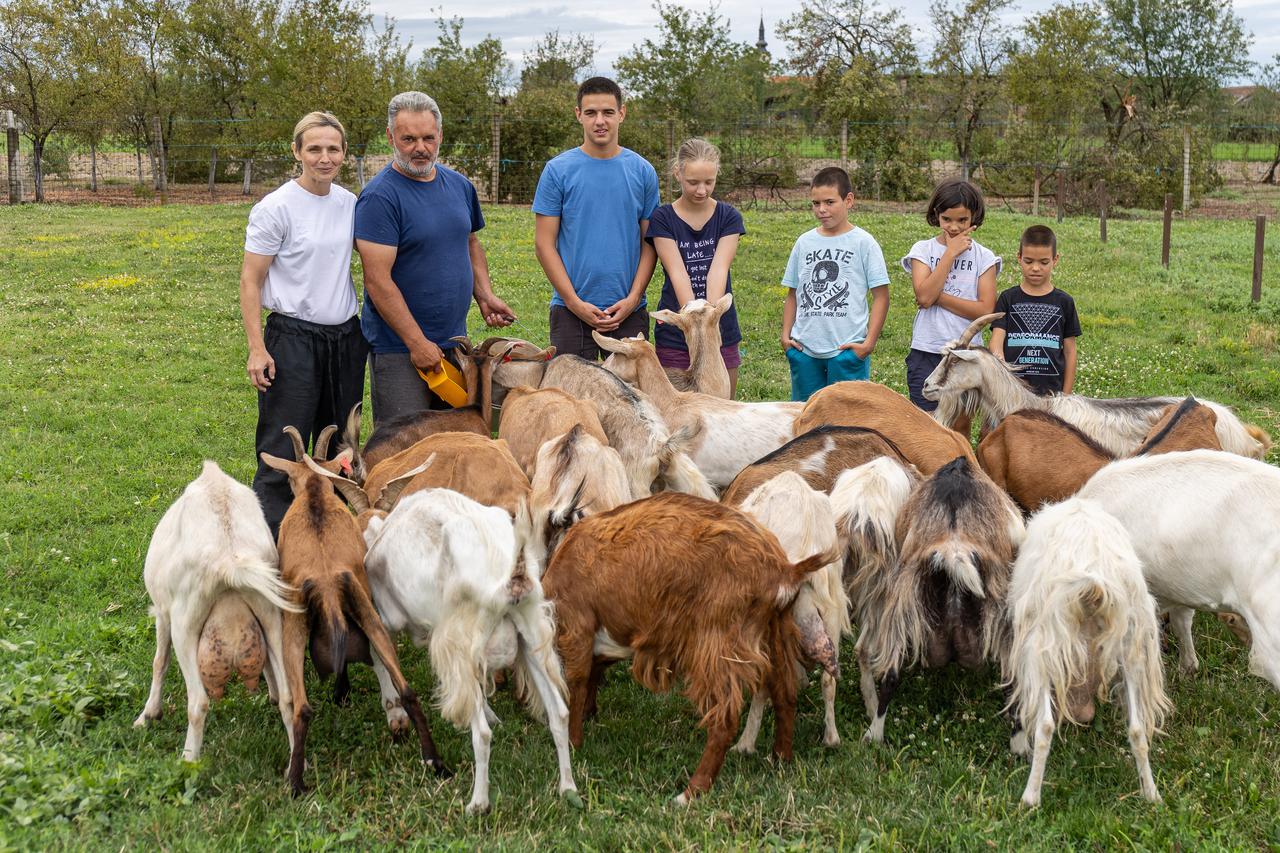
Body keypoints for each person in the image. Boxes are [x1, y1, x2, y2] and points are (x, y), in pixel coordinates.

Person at [240, 111, 366, 537]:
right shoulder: (275, 207)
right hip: (293, 338)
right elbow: (251, 279)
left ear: (344, 153)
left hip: (346, 338)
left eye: (333, 148)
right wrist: (258, 347)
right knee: (285, 443)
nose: (324, 157)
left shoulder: (350, 204)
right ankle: (275, 542)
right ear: (297, 152)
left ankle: (335, 536)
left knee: (343, 444)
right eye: (314, 148)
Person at [355, 91, 515, 425]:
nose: (420, 148)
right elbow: (377, 280)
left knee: (455, 447)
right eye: (408, 138)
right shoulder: (379, 198)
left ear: (440, 135)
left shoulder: (459, 186)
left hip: (454, 344)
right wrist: (416, 343)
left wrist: (484, 294)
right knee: (403, 451)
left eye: (428, 138)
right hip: (400, 350)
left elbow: (469, 242)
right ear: (391, 137)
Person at [533, 76, 660, 360]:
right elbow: (544, 244)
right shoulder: (557, 171)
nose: (599, 121)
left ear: (622, 114)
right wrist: (573, 301)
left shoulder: (642, 172)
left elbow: (650, 243)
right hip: (571, 310)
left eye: (608, 112)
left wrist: (634, 298)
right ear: (579, 115)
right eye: (591, 113)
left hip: (629, 310)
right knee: (574, 402)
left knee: (631, 401)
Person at [781, 166, 890, 402]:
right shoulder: (804, 242)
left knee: (848, 422)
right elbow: (793, 293)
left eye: (830, 202)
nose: (822, 210)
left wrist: (868, 344)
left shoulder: (864, 243)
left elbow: (881, 296)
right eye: (815, 203)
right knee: (805, 417)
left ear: (848, 200)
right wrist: (785, 336)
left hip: (846, 351)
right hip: (804, 349)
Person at [647, 138, 746, 397]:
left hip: (720, 328)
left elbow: (718, 269)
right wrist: (692, 325)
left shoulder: (729, 217)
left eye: (709, 182)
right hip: (676, 333)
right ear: (678, 173)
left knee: (724, 411)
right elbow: (677, 271)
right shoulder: (663, 218)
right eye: (693, 182)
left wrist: (710, 327)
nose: (702, 190)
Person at [901, 178, 1000, 414]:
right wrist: (951, 254)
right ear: (936, 215)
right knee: (924, 422)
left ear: (974, 216)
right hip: (926, 350)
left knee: (960, 423)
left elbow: (985, 310)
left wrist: (938, 297)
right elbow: (924, 297)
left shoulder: (984, 257)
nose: (954, 228)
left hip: (966, 354)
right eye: (947, 220)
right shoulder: (922, 250)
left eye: (962, 220)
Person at [990, 225, 1080, 395]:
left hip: (1052, 396)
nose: (1036, 268)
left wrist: (1066, 396)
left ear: (1055, 259)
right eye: (1029, 261)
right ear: (1019, 258)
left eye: (1044, 262)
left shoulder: (1065, 302)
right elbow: (996, 341)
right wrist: (1002, 370)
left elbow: (1070, 351)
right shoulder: (1007, 298)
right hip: (1012, 393)